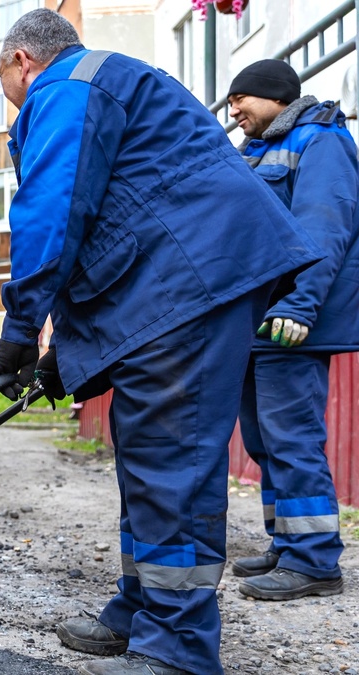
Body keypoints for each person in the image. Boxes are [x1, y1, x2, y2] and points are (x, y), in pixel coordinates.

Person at [0, 11, 321, 675]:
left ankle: (176, 648)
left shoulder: (68, 86)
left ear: (21, 59)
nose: (8, 95)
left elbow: (54, 211)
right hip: (179, 281)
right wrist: (65, 358)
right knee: (149, 456)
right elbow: (114, 220)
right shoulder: (105, 84)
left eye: (2, 81)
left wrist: (20, 329)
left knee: (171, 458)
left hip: (192, 280)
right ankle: (144, 607)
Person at [225, 59, 357, 600]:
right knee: (263, 440)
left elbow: (324, 227)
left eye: (241, 99)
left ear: (274, 96)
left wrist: (300, 307)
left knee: (292, 438)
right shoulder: (254, 152)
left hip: (291, 321)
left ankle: (316, 561)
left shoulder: (320, 140)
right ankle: (287, 543)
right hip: (257, 321)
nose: (233, 111)